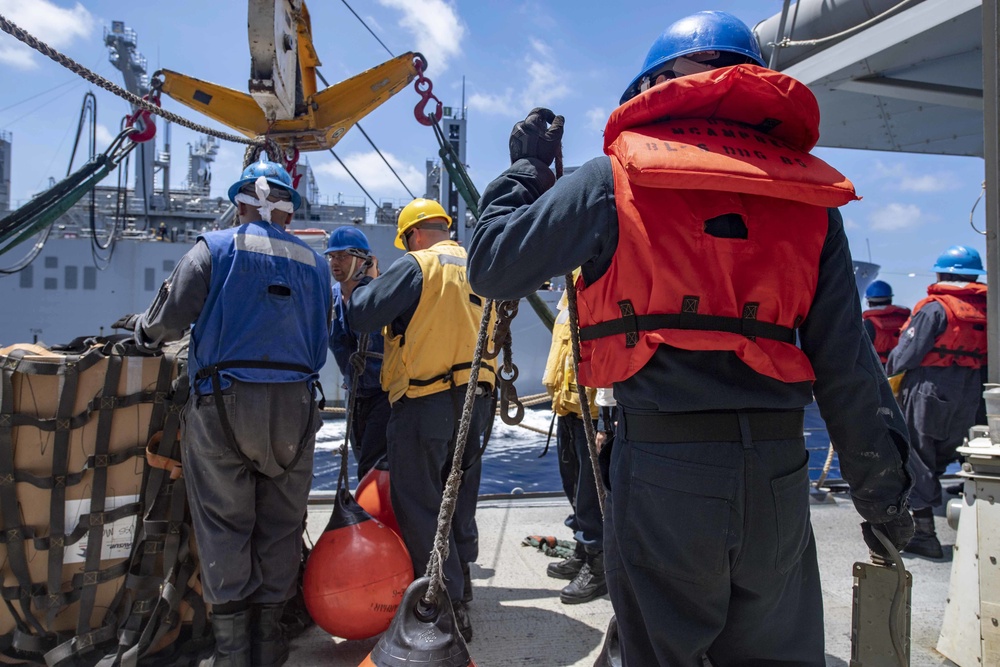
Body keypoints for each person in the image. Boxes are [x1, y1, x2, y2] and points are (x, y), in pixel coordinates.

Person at [468, 11, 913, 665]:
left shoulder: (612, 178)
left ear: (656, 87)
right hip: (778, 475)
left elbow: (492, 265)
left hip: (663, 471)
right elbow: (850, 367)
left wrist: (526, 170)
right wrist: (883, 496)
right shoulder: (809, 200)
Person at [115, 156, 331, 667]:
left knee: (224, 522)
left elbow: (168, 321)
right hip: (296, 408)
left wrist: (142, 331)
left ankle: (233, 652)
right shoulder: (317, 263)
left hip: (224, 405)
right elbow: (321, 330)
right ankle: (269, 643)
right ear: (288, 210)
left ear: (240, 204)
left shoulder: (213, 248)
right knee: (281, 523)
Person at [344, 197, 495, 643]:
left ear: (412, 235)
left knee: (421, 503)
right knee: (459, 494)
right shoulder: (479, 264)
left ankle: (443, 604)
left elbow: (362, 315)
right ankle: (462, 582)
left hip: (425, 402)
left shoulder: (418, 265)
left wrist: (365, 281)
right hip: (476, 403)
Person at [887, 244, 987, 559]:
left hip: (929, 390)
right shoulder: (990, 307)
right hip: (972, 391)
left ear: (941, 274)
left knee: (917, 457)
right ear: (975, 276)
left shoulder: (934, 309)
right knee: (952, 451)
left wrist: (887, 379)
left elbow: (905, 355)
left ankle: (925, 535)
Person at [541, 284, 605, 604]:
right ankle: (582, 550)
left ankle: (598, 565)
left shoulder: (599, 278)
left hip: (591, 410)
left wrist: (605, 421)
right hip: (568, 407)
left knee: (591, 494)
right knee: (574, 486)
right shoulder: (573, 283)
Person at [325, 226, 390, 480]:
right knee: (363, 462)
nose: (335, 262)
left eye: (342, 256)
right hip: (354, 396)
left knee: (373, 466)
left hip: (385, 396)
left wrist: (372, 284)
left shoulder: (382, 294)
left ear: (363, 260)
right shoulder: (330, 298)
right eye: (332, 256)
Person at [862, 280, 911, 366]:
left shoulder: (868, 324)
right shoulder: (907, 320)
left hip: (878, 368)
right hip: (904, 367)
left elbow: (862, 351)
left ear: (869, 302)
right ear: (890, 299)